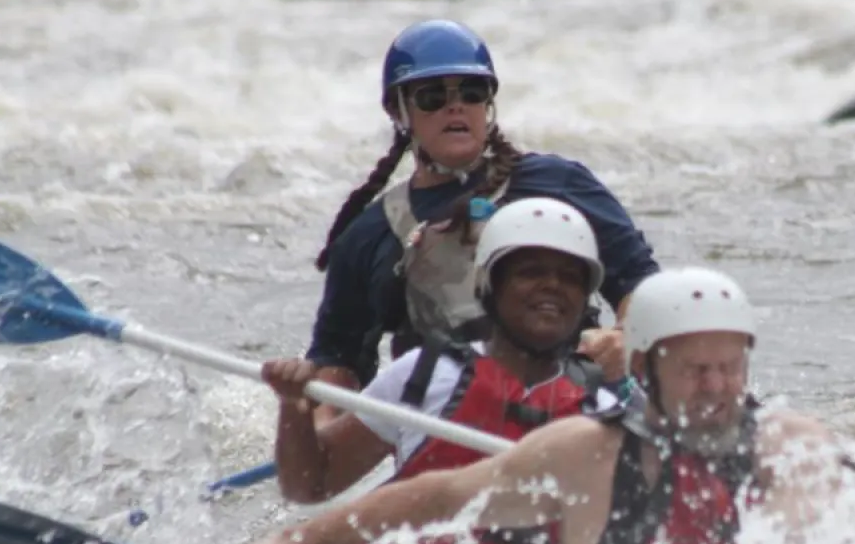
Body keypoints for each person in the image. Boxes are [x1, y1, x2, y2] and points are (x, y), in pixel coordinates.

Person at [222, 268, 848, 544]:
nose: (716, 386)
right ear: (643, 369)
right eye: (694, 369)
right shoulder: (583, 452)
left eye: (730, 367)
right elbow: (436, 498)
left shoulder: (791, 446)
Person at [304, 18, 660, 424]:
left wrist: (625, 338)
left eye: (471, 93)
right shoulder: (369, 235)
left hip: (570, 402)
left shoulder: (559, 184)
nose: (455, 106)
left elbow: (641, 282)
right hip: (448, 417)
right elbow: (337, 364)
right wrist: (316, 427)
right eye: (432, 96)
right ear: (399, 111)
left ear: (487, 105)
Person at [261, 196, 617, 505]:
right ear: (489, 287)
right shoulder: (424, 375)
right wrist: (294, 407)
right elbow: (310, 485)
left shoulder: (605, 409)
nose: (552, 286)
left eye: (570, 277)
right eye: (531, 272)